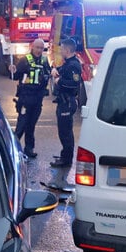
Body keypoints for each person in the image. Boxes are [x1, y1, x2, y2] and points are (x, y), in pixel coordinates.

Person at [9, 38, 51, 159]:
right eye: (37, 47)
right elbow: (15, 76)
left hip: (38, 98)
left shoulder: (44, 60)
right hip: (26, 98)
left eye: (41, 48)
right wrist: (12, 70)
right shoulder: (24, 60)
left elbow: (47, 73)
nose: (39, 50)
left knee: (31, 125)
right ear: (32, 47)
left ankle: (29, 149)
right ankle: (13, 148)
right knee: (21, 125)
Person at [50, 37, 82, 168]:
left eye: (62, 48)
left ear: (67, 49)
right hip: (63, 102)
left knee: (65, 132)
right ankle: (65, 155)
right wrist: (55, 71)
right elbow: (62, 70)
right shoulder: (68, 63)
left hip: (67, 102)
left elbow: (74, 84)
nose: (60, 50)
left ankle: (67, 159)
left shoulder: (74, 65)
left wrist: (59, 81)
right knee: (63, 131)